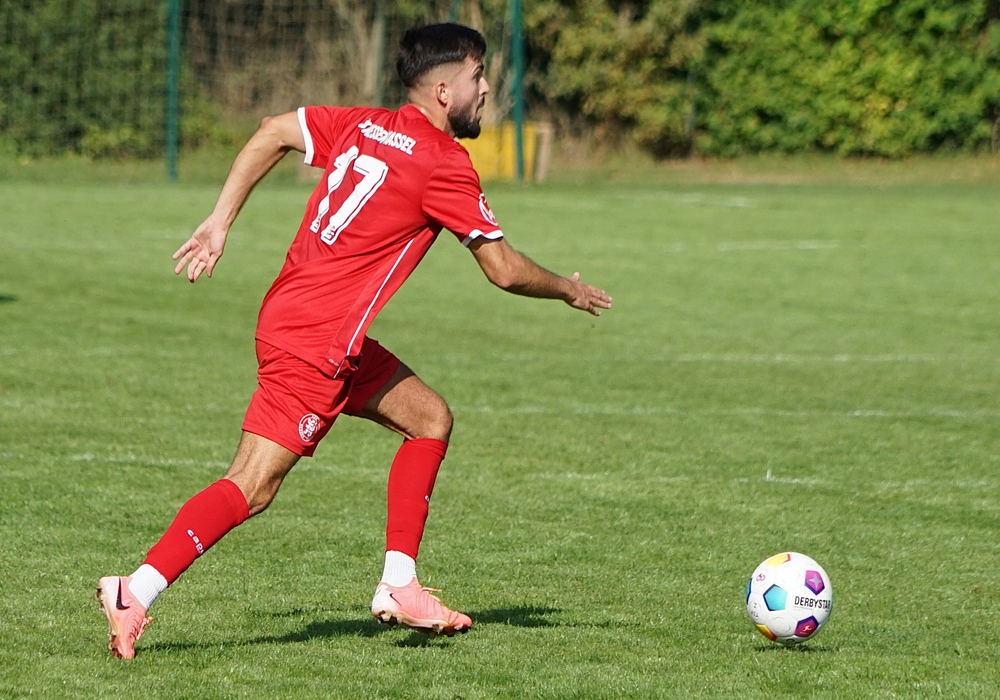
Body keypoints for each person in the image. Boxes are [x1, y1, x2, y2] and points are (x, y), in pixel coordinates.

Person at [96, 23, 611, 659]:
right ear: (444, 90)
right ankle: (135, 590)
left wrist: (219, 221)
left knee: (429, 418)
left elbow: (271, 130)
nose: (485, 89)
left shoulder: (365, 125)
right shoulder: (444, 162)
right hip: (316, 342)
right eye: (478, 77)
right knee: (252, 485)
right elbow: (503, 269)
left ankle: (400, 584)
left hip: (306, 322)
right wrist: (567, 289)